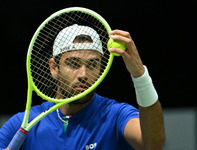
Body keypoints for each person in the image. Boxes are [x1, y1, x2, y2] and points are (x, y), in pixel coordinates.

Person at [0, 24, 165, 150]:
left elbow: (153, 145)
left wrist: (140, 75)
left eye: (92, 64)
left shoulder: (116, 115)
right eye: (73, 64)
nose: (83, 74)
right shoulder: (22, 123)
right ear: (54, 68)